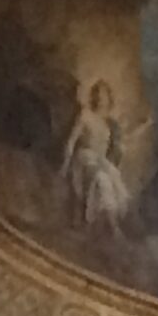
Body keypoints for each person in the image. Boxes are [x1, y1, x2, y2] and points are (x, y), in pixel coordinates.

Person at [61, 80, 139, 232]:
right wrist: (65, 164)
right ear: (94, 96)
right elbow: (71, 141)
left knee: (117, 181)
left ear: (109, 98)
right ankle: (114, 228)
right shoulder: (85, 115)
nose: (101, 98)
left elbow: (124, 139)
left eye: (104, 94)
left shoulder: (107, 123)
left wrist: (143, 127)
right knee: (103, 180)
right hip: (85, 157)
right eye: (98, 93)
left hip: (100, 160)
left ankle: (118, 224)